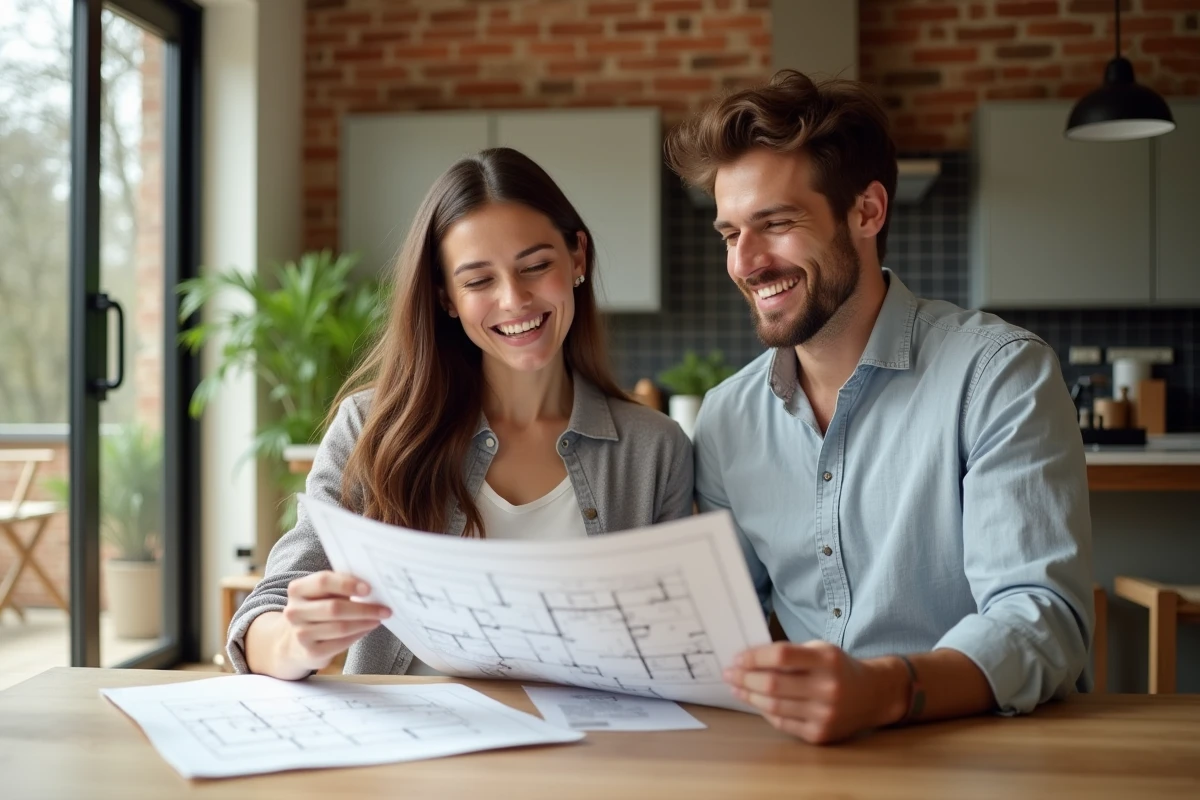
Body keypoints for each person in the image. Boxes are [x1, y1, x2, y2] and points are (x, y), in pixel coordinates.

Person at [666, 70, 1094, 744]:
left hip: (987, 753)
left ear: (867, 212)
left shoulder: (998, 374)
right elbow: (725, 633)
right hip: (807, 763)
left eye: (775, 224)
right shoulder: (726, 420)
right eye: (729, 234)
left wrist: (885, 691)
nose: (745, 262)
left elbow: (1042, 619)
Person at [228, 147, 693, 680]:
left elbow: (677, 647)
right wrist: (294, 641)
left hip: (594, 735)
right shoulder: (369, 430)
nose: (514, 299)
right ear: (446, 297)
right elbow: (263, 614)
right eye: (477, 281)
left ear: (577, 258)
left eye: (536, 266)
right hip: (410, 734)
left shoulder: (657, 450)